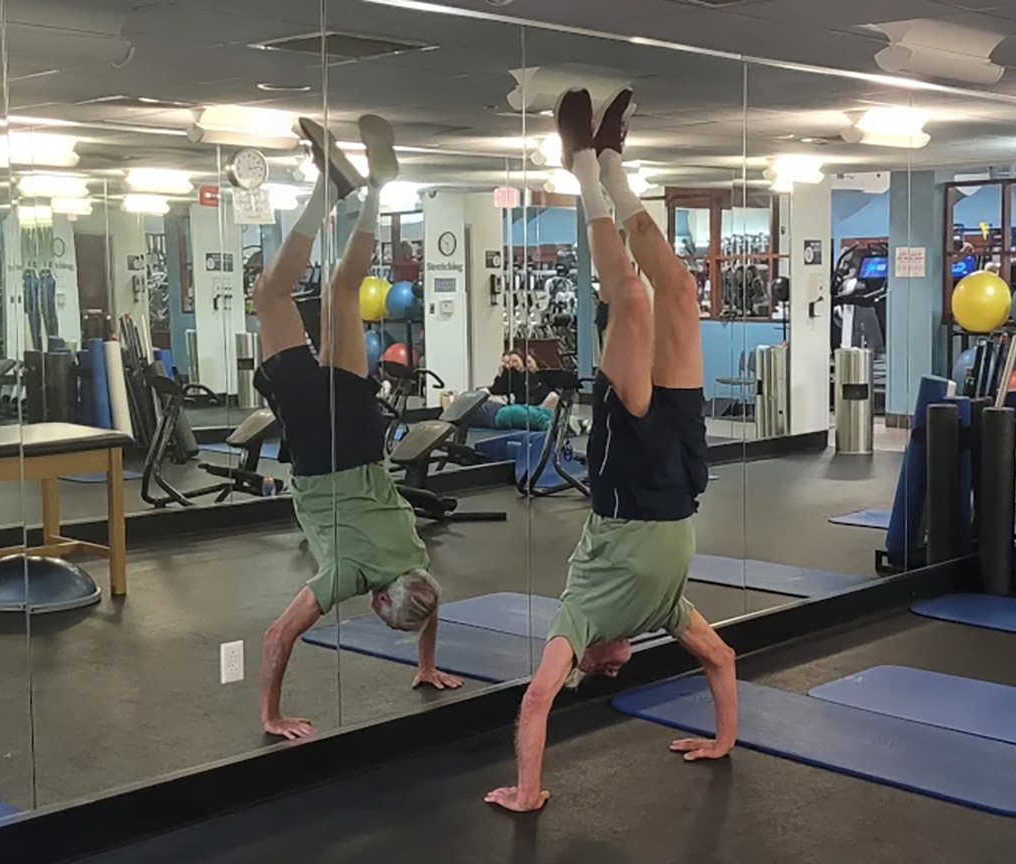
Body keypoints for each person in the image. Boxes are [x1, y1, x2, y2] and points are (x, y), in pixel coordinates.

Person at [484, 88, 739, 812]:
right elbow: (720, 660)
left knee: (629, 300)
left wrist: (527, 792)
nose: (613, 670)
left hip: (624, 478)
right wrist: (724, 739)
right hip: (685, 471)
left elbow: (536, 701)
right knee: (682, 293)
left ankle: (584, 171)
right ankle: (612, 162)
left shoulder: (583, 618)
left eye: (600, 674)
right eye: (611, 673)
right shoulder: (663, 612)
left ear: (588, 660)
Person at [254, 114, 463, 741]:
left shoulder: (416, 560)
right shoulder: (350, 576)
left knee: (343, 291)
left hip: (365, 435)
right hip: (320, 447)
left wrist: (429, 664)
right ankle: (330, 188)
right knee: (271, 296)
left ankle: (372, 186)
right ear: (379, 598)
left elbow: (432, 605)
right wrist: (271, 715)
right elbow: (276, 636)